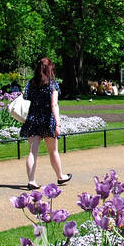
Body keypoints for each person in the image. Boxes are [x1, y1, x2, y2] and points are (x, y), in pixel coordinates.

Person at [20, 57, 71, 190]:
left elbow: (26, 97)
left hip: (33, 118)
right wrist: (58, 124)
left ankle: (31, 180)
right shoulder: (52, 84)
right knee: (53, 151)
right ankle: (60, 176)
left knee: (32, 151)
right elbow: (54, 104)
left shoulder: (31, 83)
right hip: (48, 120)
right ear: (49, 68)